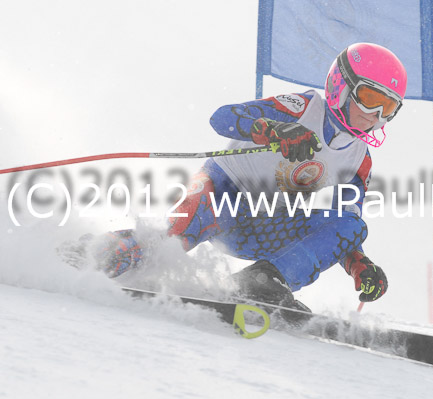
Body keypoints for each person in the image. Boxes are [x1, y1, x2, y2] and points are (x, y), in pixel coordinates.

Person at [98, 42, 407, 311]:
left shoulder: (359, 161)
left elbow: (341, 229)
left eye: (388, 107)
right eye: (369, 97)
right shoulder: (300, 108)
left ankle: (266, 281)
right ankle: (103, 252)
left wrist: (359, 266)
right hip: (220, 197)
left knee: (354, 224)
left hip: (265, 227)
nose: (375, 115)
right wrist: (271, 129)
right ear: (342, 86)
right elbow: (222, 117)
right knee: (171, 244)